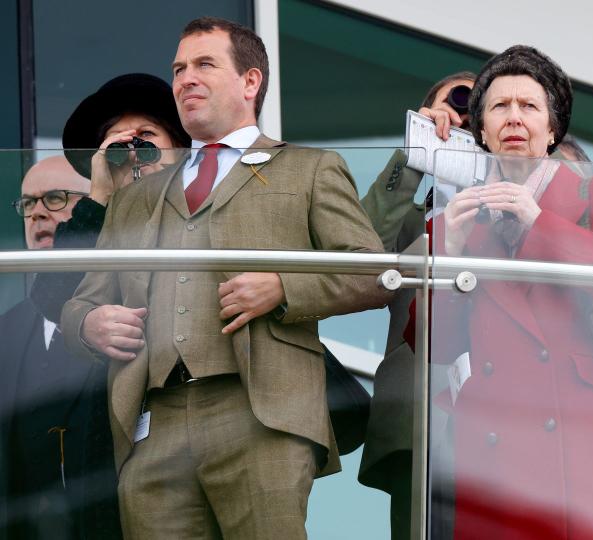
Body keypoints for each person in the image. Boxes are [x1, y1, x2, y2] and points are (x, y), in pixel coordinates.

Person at [61, 17, 389, 539]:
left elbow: (373, 272)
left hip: (263, 416)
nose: (186, 78)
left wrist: (285, 286)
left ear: (250, 81)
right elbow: (81, 302)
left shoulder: (309, 167)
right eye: (179, 68)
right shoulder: (136, 196)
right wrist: (89, 324)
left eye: (204, 64)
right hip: (154, 426)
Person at [433, 45, 593, 539]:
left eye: (529, 106)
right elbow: (436, 345)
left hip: (584, 444)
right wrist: (447, 255)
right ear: (482, 130)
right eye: (499, 107)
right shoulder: (455, 222)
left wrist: (539, 224)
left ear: (552, 130)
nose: (514, 118)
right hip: (495, 457)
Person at [358, 71, 476, 540]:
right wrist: (415, 153)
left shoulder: (517, 197)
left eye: (477, 104)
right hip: (420, 415)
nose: (465, 113)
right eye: (457, 102)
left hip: (509, 415)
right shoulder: (406, 209)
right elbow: (362, 249)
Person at [0, 156, 122, 539]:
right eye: (28, 203)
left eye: (54, 198)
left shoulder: (131, 308)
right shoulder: (6, 329)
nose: (37, 213)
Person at [31, 73, 190, 324]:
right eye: (119, 141)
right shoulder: (99, 219)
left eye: (147, 134)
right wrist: (100, 195)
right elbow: (50, 298)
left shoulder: (203, 203)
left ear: (178, 147)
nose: (134, 149)